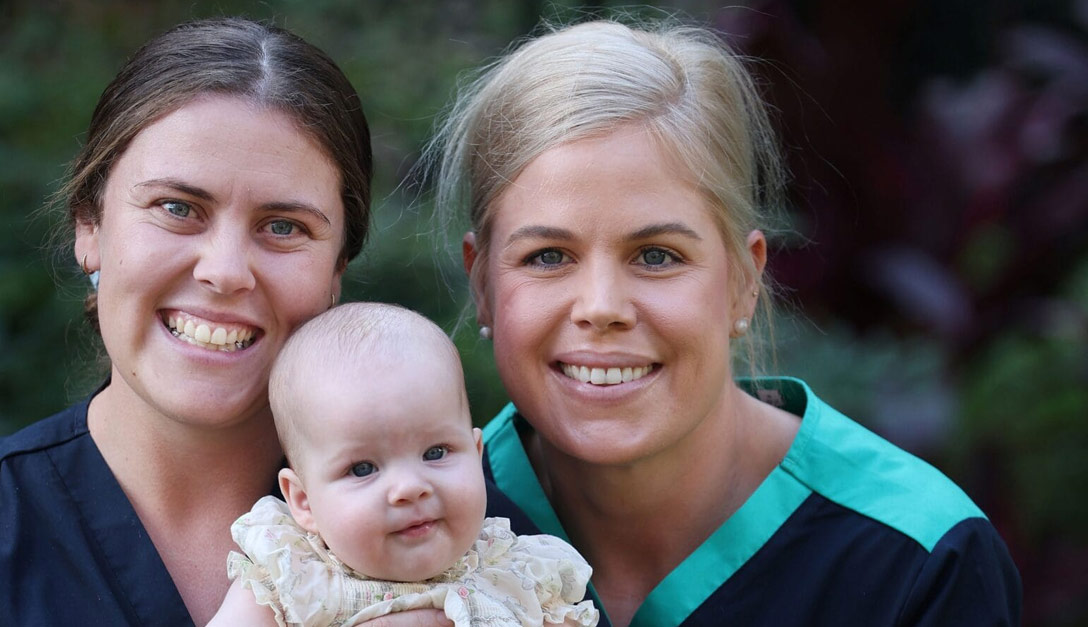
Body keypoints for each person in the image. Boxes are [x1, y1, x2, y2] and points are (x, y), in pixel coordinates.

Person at [434, 19, 1023, 627]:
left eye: (656, 255)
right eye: (548, 257)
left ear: (744, 280)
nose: (602, 306)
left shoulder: (920, 560)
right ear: (483, 285)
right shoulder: (401, 529)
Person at [0, 17, 389, 626]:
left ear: (337, 269)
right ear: (89, 226)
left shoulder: (443, 524)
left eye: (284, 227)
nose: (225, 271)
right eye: (177, 208)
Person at [207, 302, 599, 627]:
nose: (411, 487)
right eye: (363, 469)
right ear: (303, 501)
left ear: (476, 453)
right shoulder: (292, 576)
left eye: (436, 452)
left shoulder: (519, 575)